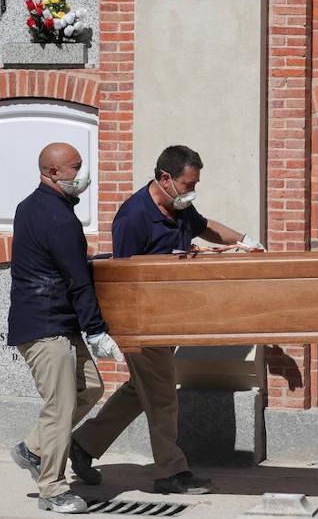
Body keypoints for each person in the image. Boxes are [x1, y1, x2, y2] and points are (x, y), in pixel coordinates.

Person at [70, 145, 263, 494]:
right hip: (142, 323)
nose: (192, 191)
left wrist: (243, 240)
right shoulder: (133, 216)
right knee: (162, 397)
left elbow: (205, 228)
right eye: (188, 184)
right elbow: (124, 278)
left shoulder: (178, 208)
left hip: (168, 319)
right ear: (165, 178)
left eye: (194, 185)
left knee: (138, 391)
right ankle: (170, 472)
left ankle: (82, 445)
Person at [8, 142, 125, 515]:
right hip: (46, 325)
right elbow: (77, 280)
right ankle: (53, 490)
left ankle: (32, 449)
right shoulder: (57, 217)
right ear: (53, 172)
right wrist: (97, 330)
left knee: (90, 387)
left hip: (56, 321)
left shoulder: (34, 207)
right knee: (60, 406)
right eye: (76, 167)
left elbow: (63, 265)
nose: (83, 173)